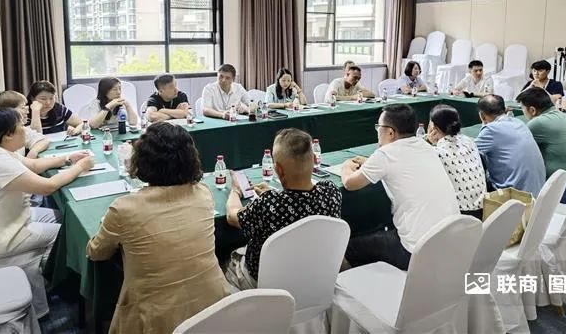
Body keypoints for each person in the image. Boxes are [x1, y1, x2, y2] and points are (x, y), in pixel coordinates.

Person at [87, 123, 229, 333]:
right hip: (214, 310)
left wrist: (106, 223)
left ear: (142, 161)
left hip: (154, 320)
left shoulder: (123, 209)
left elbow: (96, 252)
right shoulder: (203, 193)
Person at [0, 109, 93, 315]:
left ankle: (53, 273)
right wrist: (81, 167)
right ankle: (61, 282)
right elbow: (48, 186)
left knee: (61, 217)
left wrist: (68, 158)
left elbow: (33, 165)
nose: (26, 131)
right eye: (20, 127)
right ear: (7, 135)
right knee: (68, 233)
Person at [340, 104, 459, 270]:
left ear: (390, 132)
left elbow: (350, 183)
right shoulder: (426, 146)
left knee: (349, 248)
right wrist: (370, 164)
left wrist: (345, 166)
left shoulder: (385, 154)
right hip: (451, 241)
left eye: (378, 127)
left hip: (415, 251)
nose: (377, 131)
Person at [224, 128, 342, 290]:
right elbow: (298, 202)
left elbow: (232, 216)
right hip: (315, 279)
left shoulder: (268, 204)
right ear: (315, 159)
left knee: (226, 259)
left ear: (278, 169)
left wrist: (235, 191)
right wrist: (272, 195)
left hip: (268, 286)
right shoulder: (331, 192)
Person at [516, 87, 566, 204]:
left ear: (532, 110)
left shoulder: (538, 123)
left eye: (522, 108)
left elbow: (516, 148)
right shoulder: (564, 116)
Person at [475, 95, 546, 196]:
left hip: (515, 196)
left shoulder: (491, 130)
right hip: (538, 192)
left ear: (482, 115)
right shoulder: (519, 123)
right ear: (505, 109)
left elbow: (469, 152)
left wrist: (484, 124)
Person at [426, 104, 486, 219]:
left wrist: (429, 142)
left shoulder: (437, 153)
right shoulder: (469, 141)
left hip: (459, 214)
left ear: (432, 126)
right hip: (482, 208)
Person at [0, 91, 49, 158]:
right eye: (22, 108)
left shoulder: (20, 129)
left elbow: (42, 140)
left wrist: (33, 152)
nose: (27, 111)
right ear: (8, 111)